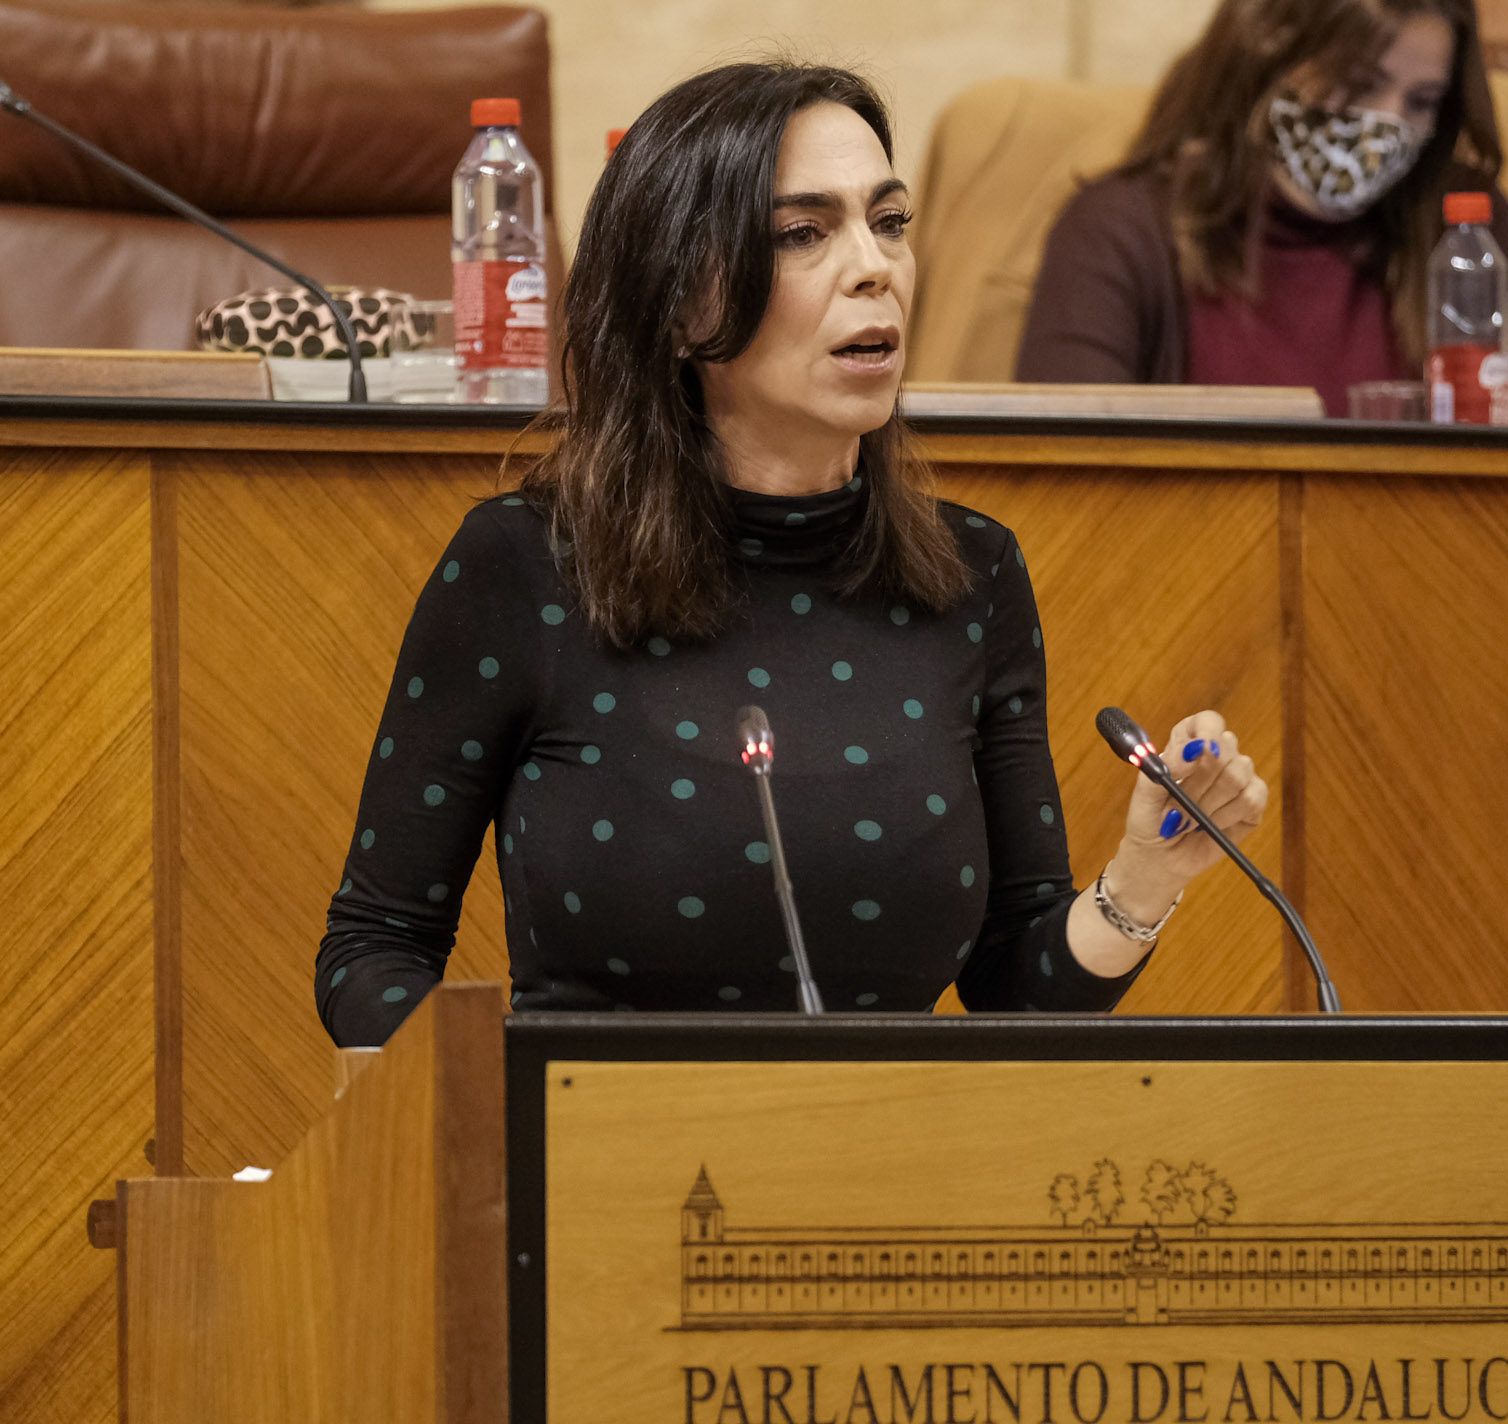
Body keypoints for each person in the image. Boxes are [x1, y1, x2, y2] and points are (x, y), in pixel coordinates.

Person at [314, 62, 1268, 1046]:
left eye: (888, 223)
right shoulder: (525, 565)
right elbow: (372, 948)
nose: (875, 267)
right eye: (804, 233)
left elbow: (1009, 984)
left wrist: (1142, 882)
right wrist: (498, 1112)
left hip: (870, 1174)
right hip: (595, 1165)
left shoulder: (971, 572)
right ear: (682, 301)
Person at [1015, 0, 1508, 417]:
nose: (1386, 124)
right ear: (1266, 62)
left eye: (1422, 101)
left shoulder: (1463, 222)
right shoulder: (1119, 229)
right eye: (1359, 83)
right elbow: (1071, 477)